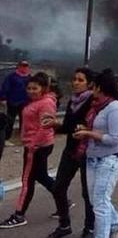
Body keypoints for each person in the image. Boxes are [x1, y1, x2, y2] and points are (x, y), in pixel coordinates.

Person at [73, 70, 118, 237]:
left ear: (100, 88)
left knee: (100, 204)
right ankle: (116, 223)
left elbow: (115, 139)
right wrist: (86, 130)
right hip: (92, 158)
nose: (92, 89)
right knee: (95, 200)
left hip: (110, 159)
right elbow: (98, 129)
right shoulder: (97, 106)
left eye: (94, 86)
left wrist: (88, 134)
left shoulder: (115, 108)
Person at [0, 72, 57, 229]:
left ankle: (19, 214)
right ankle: (62, 200)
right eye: (29, 88)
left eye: (35, 88)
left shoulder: (45, 103)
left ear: (43, 88)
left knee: (27, 180)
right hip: (37, 144)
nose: (31, 91)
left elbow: (45, 127)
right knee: (42, 176)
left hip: (37, 146)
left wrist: (33, 144)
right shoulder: (37, 101)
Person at [45, 68, 96, 238]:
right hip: (71, 149)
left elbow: (99, 127)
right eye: (74, 79)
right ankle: (64, 225)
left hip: (88, 151)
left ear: (89, 84)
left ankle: (89, 228)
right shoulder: (73, 101)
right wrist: (56, 124)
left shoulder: (94, 102)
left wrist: (86, 129)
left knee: (87, 192)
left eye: (80, 80)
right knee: (58, 187)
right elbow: (68, 127)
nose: (75, 82)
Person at [0, 60, 31, 142]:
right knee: (10, 120)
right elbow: (5, 87)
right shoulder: (11, 76)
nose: (24, 67)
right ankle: (6, 137)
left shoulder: (29, 77)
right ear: (19, 66)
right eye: (23, 65)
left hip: (25, 102)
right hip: (13, 101)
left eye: (26, 65)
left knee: (24, 120)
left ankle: (23, 136)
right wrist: (3, 98)